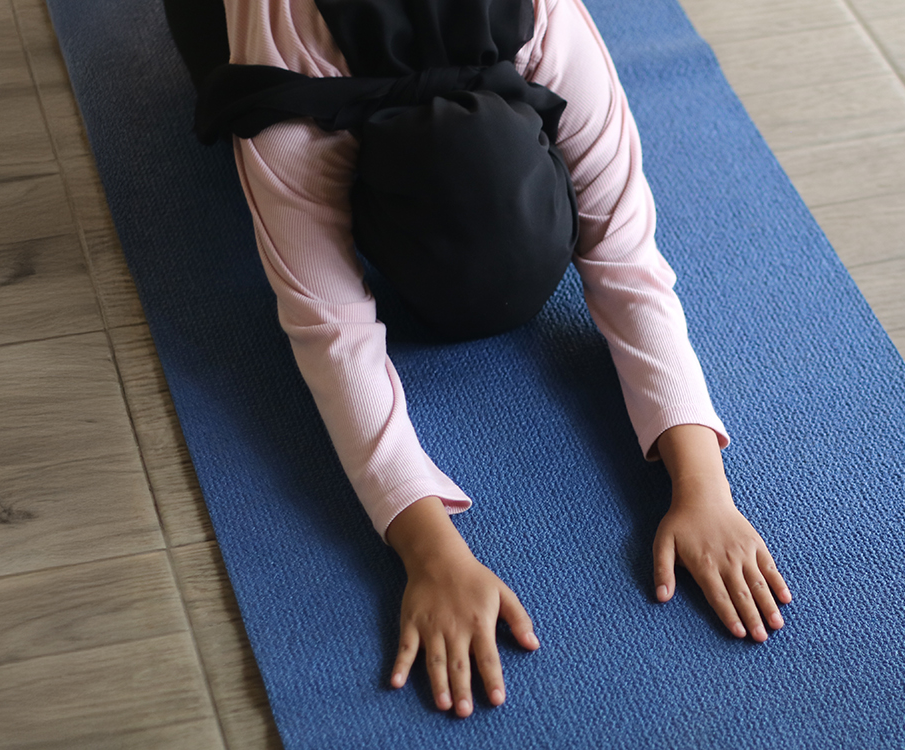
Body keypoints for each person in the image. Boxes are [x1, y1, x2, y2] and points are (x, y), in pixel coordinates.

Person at [166, 0, 791, 718]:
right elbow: (330, 330)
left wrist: (704, 487)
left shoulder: (544, 23)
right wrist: (428, 549)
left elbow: (628, 263)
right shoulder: (289, 75)